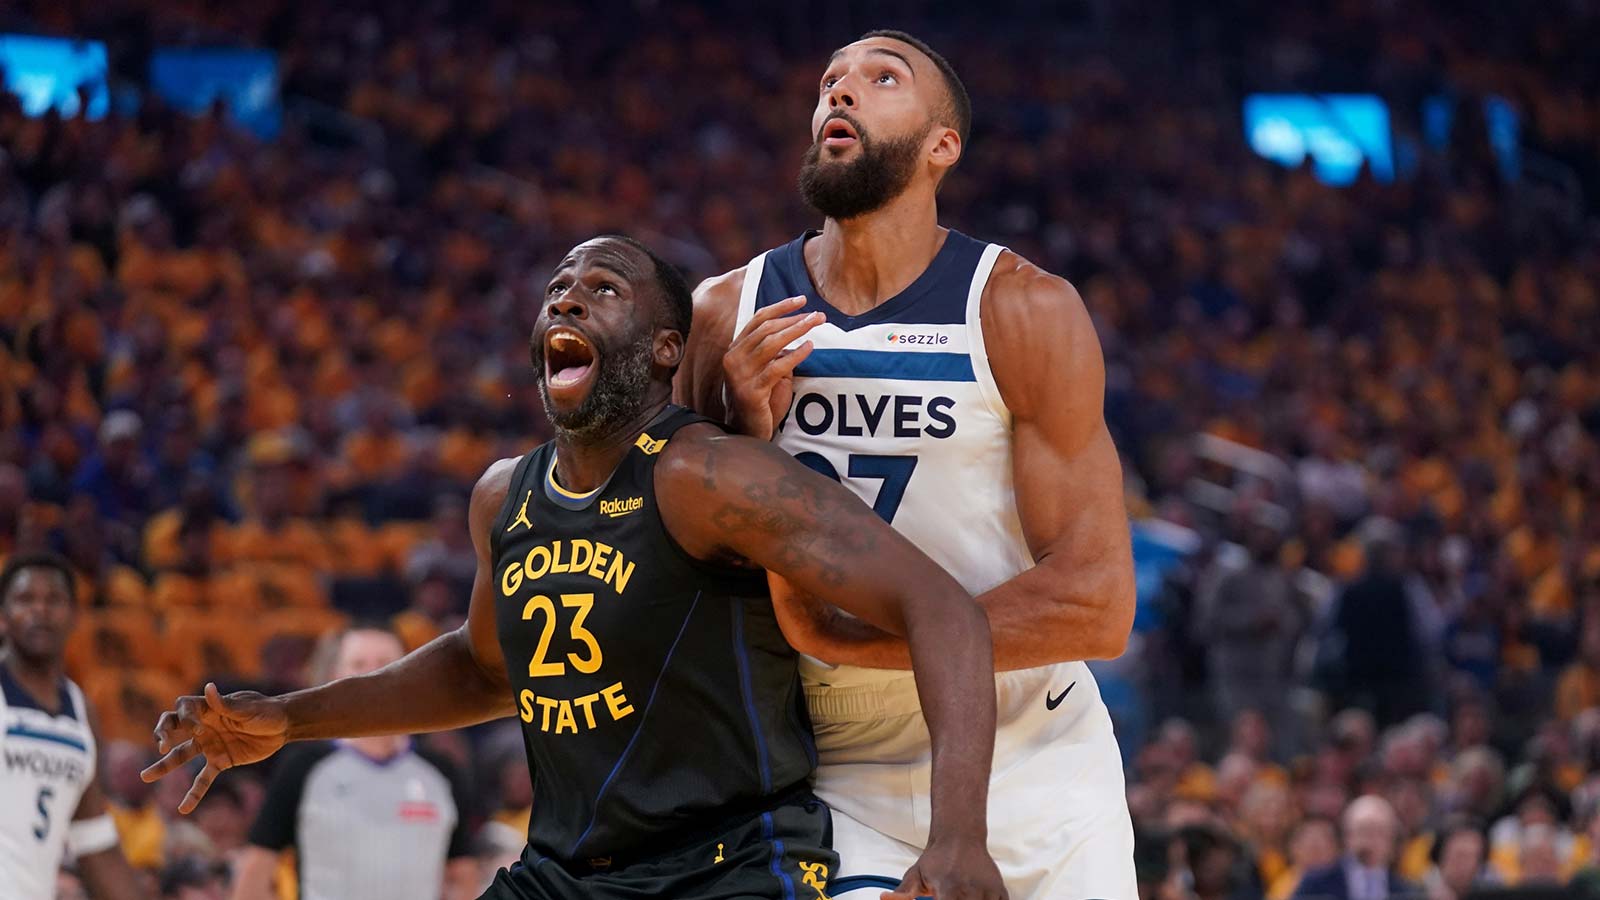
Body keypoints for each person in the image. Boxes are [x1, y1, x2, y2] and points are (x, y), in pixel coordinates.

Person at [141, 235, 1006, 900]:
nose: (570, 299)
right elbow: (485, 670)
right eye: (557, 288)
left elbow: (944, 611)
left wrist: (958, 833)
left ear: (667, 350)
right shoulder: (501, 496)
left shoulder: (707, 473)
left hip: (726, 864)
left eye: (604, 288)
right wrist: (287, 719)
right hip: (561, 871)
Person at [676, 28, 1136, 899]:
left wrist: (861, 639)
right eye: (830, 82)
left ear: (942, 146)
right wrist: (737, 434)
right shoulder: (725, 313)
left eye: (882, 78)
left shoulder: (1020, 307)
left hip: (1033, 748)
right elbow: (687, 577)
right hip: (833, 760)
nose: (840, 93)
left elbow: (1096, 603)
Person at [229, 625, 478, 900]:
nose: (372, 676)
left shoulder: (442, 772)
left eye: (386, 664)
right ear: (335, 678)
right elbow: (256, 869)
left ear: (411, 677)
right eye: (358, 664)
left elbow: (463, 875)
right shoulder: (303, 766)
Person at [0, 552, 145, 899]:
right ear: (3, 616)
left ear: (74, 616)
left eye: (54, 600)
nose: (40, 610)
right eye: (25, 599)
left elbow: (93, 840)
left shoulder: (81, 712)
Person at [1293, 795, 1419, 900]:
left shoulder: (1407, 891)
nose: (1370, 840)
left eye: (1379, 832)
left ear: (1392, 839)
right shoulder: (1315, 884)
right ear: (1347, 836)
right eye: (1363, 830)